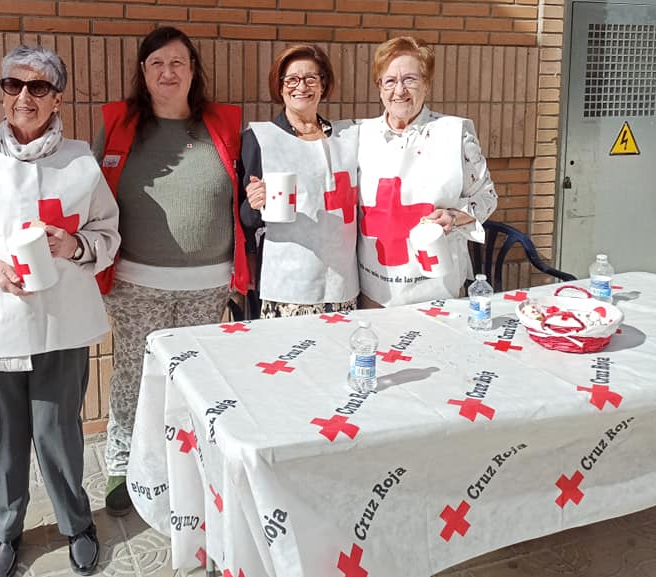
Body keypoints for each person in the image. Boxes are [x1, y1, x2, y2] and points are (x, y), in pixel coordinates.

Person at [0, 45, 119, 577]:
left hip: (62, 321)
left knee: (60, 432)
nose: (24, 97)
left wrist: (73, 245)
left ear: (58, 97)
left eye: (38, 87)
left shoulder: (80, 161)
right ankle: (6, 529)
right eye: (14, 85)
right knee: (4, 438)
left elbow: (107, 232)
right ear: (3, 91)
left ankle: (76, 522)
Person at [93, 26, 250, 517]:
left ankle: (195, 462)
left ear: (193, 71)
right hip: (136, 282)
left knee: (199, 378)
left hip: (208, 283)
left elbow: (246, 190)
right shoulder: (119, 124)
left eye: (178, 62)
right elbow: (92, 194)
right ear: (143, 72)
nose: (168, 72)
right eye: (157, 63)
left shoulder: (222, 125)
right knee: (133, 375)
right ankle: (123, 463)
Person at [357, 35, 498, 306]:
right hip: (376, 288)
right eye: (390, 81)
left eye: (410, 79)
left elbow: (487, 196)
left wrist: (456, 217)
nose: (399, 90)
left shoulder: (455, 134)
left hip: (437, 286)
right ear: (379, 87)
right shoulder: (360, 136)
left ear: (427, 85)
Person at [240, 44, 360, 318]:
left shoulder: (349, 137)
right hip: (286, 285)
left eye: (310, 78)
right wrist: (254, 203)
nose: (301, 87)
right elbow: (246, 219)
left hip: (343, 284)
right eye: (291, 79)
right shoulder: (259, 139)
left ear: (323, 85)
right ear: (280, 87)